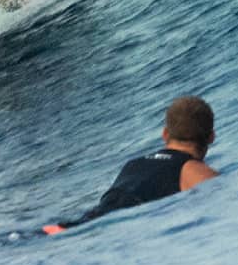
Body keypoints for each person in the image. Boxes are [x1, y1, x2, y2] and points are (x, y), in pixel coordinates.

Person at [41, 96, 218, 233]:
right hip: (110, 225)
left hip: (87, 218)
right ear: (211, 137)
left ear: (165, 134)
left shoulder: (133, 164)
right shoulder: (193, 170)